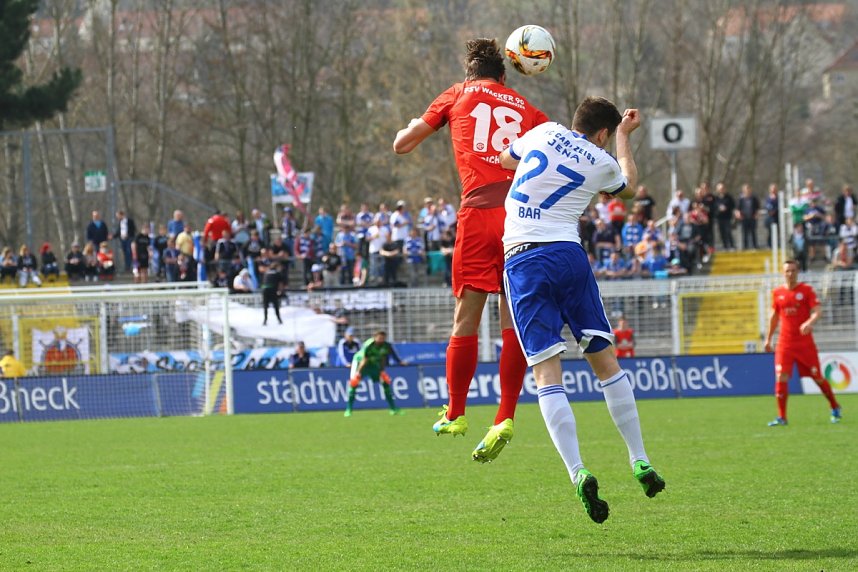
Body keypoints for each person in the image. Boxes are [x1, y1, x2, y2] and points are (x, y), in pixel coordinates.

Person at [499, 97, 664, 523]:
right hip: (568, 256)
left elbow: (504, 159)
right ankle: (639, 457)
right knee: (605, 362)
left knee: (546, 373)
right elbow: (628, 186)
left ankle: (578, 471)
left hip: (523, 259)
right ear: (604, 132)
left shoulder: (542, 131)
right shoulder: (600, 160)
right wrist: (626, 140)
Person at [393, 37, 548, 462]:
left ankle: (457, 412)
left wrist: (410, 124)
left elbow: (402, 145)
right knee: (511, 317)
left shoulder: (457, 94)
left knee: (466, 315)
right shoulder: (527, 109)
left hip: (478, 214)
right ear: (503, 74)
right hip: (520, 219)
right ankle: (504, 416)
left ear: (470, 73)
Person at [764, 260, 842, 426]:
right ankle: (782, 417)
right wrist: (768, 338)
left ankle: (835, 406)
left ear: (798, 272)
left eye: (793, 270)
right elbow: (774, 317)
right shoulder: (777, 293)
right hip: (784, 343)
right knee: (781, 376)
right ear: (782, 273)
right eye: (787, 271)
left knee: (817, 377)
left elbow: (817, 311)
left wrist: (809, 322)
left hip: (804, 344)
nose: (790, 274)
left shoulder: (806, 291)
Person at [344, 330, 406, 417]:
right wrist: (358, 372)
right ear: (374, 337)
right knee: (353, 384)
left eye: (383, 338)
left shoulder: (386, 346)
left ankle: (393, 409)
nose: (381, 340)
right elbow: (364, 359)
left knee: (385, 383)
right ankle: (348, 410)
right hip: (359, 363)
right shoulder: (369, 345)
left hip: (373, 365)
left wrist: (382, 370)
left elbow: (384, 358)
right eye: (379, 338)